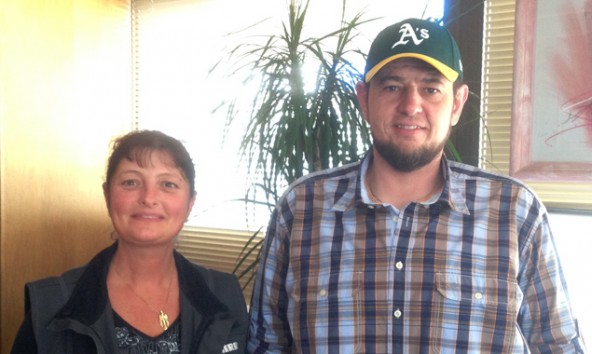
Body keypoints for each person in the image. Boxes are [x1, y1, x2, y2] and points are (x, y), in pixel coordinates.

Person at [247, 18, 586, 353]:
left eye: (431, 88)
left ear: (456, 104)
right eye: (392, 87)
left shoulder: (514, 211)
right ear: (364, 100)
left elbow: (558, 346)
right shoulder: (302, 207)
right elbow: (266, 345)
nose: (410, 106)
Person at [12, 130, 248, 353]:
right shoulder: (51, 305)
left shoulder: (224, 294)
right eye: (131, 182)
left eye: (168, 184)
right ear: (107, 196)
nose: (148, 198)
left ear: (190, 204)